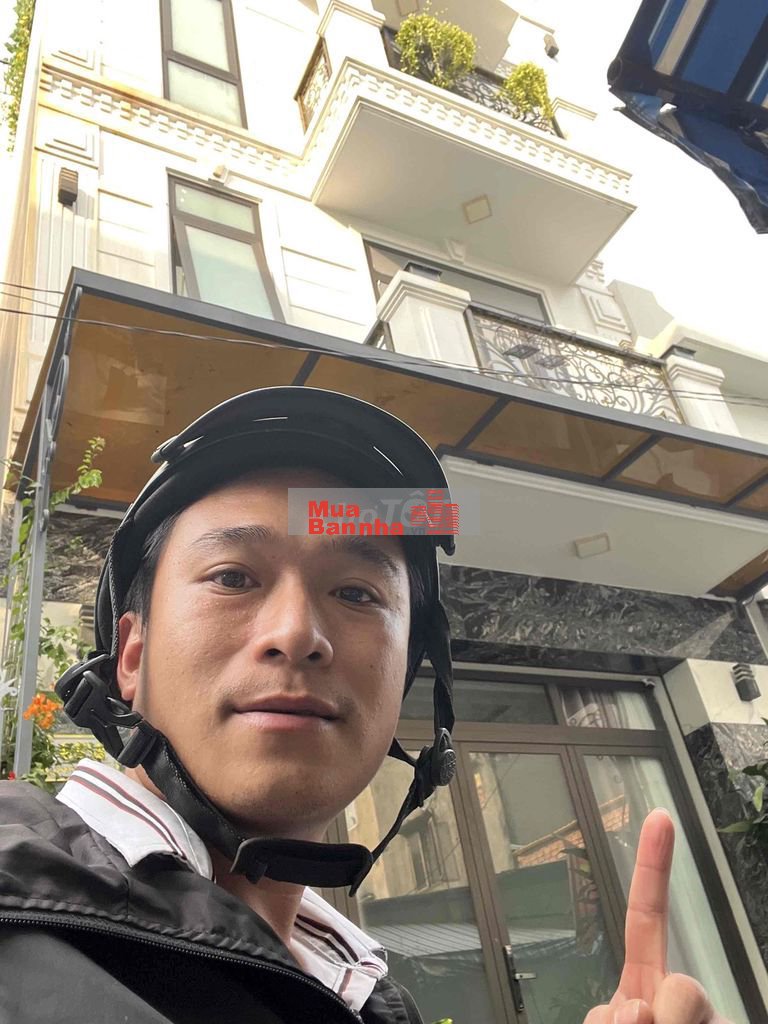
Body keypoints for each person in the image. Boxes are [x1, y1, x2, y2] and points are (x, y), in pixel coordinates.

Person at [0, 387, 733, 1023]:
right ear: (131, 656)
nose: (297, 634)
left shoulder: (363, 992)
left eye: (356, 592)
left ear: (404, 677)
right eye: (232, 577)